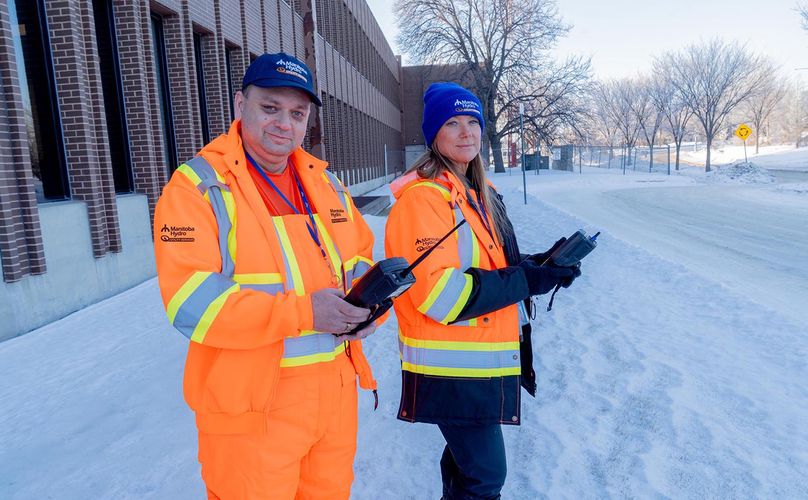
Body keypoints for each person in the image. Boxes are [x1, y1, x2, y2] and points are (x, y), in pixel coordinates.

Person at [154, 52, 383, 499]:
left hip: (333, 405)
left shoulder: (325, 184)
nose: (285, 123)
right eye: (270, 108)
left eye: (297, 113)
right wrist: (303, 312)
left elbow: (357, 259)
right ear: (240, 105)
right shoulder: (198, 188)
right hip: (252, 412)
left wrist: (370, 304)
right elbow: (190, 305)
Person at [385, 82, 581, 499]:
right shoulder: (423, 201)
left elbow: (493, 265)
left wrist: (540, 265)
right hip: (452, 369)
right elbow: (439, 295)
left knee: (465, 467)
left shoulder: (480, 192)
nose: (465, 132)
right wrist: (528, 280)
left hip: (480, 360)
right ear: (433, 134)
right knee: (485, 477)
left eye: (472, 121)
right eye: (451, 123)